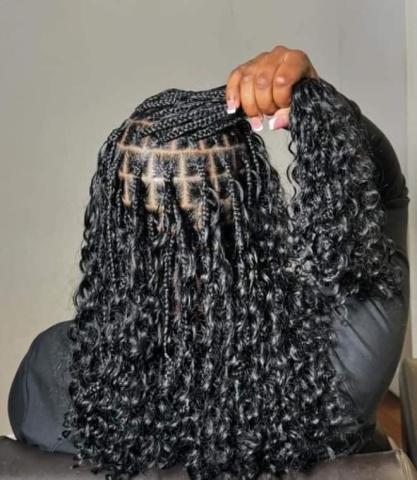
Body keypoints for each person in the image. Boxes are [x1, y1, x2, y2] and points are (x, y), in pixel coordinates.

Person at [7, 46, 409, 479]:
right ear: (256, 218)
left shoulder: (50, 379)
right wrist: (320, 107)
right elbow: (386, 196)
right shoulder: (342, 362)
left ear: (112, 233)